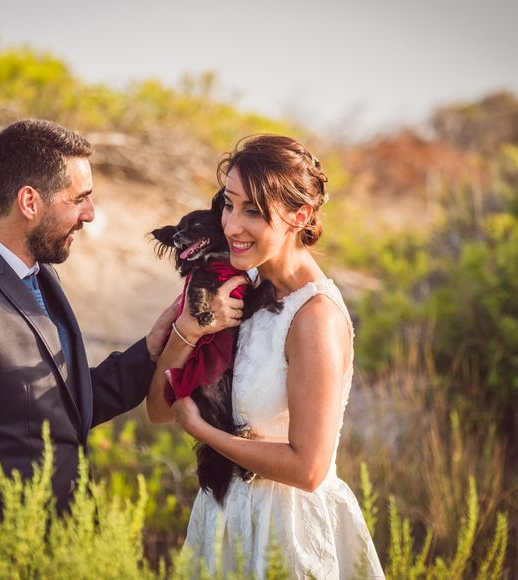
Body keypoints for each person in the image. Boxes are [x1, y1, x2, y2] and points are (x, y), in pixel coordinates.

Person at [0, 119, 240, 526]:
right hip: (10, 550)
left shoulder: (42, 276)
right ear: (30, 202)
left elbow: (64, 404)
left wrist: (151, 349)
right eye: (79, 199)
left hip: (68, 538)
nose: (90, 215)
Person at [147, 135, 385, 579]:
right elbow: (159, 409)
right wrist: (189, 331)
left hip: (285, 535)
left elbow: (309, 469)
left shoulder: (314, 318)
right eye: (229, 204)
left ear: (300, 217)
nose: (232, 225)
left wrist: (203, 432)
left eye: (253, 211)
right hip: (223, 523)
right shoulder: (234, 288)